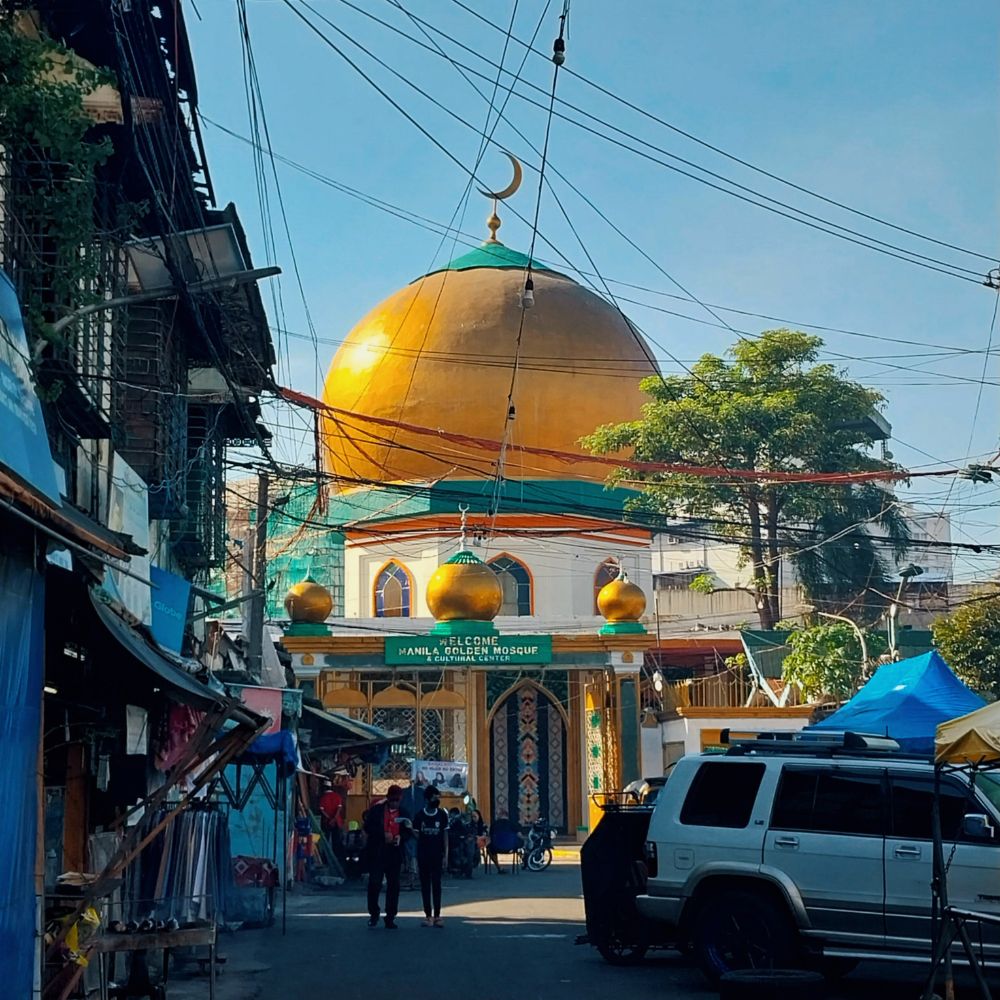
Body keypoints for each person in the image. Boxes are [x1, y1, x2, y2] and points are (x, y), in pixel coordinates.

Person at [363, 785, 405, 929]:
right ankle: (374, 913)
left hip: (394, 853)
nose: (394, 803)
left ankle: (390, 916)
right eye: (392, 800)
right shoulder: (377, 811)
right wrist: (382, 835)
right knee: (375, 883)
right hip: (378, 851)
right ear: (388, 798)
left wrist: (401, 836)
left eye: (397, 800)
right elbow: (367, 827)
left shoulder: (403, 813)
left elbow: (409, 829)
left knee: (394, 885)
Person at [412, 785, 449, 927]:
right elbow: (416, 834)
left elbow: (445, 835)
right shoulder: (420, 816)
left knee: (437, 885)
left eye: (438, 797)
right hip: (423, 854)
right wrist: (411, 829)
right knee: (425, 885)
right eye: (434, 797)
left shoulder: (442, 815)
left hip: (437, 855)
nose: (437, 800)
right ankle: (428, 915)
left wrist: (446, 855)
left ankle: (438, 916)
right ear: (427, 799)